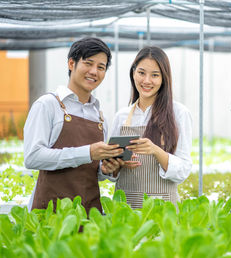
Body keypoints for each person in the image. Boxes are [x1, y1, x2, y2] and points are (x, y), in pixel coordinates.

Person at [24, 37, 124, 214]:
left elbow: (95, 172)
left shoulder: (100, 117)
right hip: (52, 211)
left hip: (89, 212)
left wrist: (107, 169)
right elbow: (33, 157)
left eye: (101, 67)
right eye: (88, 63)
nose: (94, 71)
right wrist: (88, 153)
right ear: (71, 63)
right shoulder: (48, 105)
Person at [109, 46, 192, 209]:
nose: (146, 81)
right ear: (133, 73)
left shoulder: (179, 113)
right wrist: (115, 166)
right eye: (141, 73)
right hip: (125, 206)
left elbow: (183, 170)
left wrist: (155, 150)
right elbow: (110, 172)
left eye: (155, 75)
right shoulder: (121, 116)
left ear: (164, 79)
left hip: (162, 208)